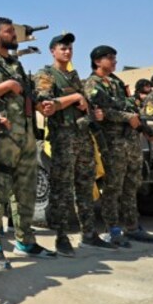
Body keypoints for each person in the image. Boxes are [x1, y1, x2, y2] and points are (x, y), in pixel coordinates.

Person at [0, 17, 56, 269]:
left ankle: (25, 240)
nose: (14, 34)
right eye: (9, 31)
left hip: (27, 137)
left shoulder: (15, 63)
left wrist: (41, 104)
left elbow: (26, 95)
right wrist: (6, 86)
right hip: (2, 138)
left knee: (25, 192)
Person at [33, 33, 116, 256]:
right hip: (63, 139)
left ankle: (89, 234)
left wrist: (92, 110)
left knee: (85, 188)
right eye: (62, 48)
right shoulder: (46, 74)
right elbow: (46, 104)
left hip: (83, 137)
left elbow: (84, 102)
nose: (67, 51)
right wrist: (74, 98)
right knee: (62, 191)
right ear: (53, 51)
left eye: (69, 48)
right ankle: (61, 238)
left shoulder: (73, 76)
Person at [84, 46, 153, 246]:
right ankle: (113, 229)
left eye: (115, 58)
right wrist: (127, 118)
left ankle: (133, 226)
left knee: (131, 185)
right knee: (113, 187)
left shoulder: (116, 82)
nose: (114, 61)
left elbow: (130, 107)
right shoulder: (92, 84)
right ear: (97, 61)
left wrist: (148, 131)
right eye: (110, 58)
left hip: (130, 141)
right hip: (113, 143)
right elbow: (102, 111)